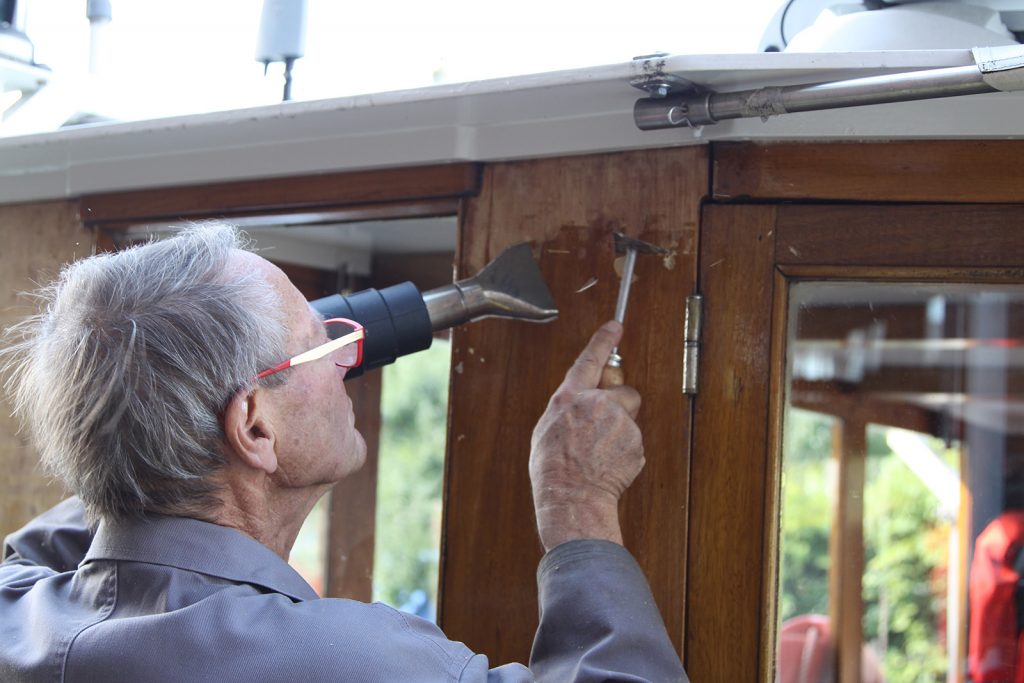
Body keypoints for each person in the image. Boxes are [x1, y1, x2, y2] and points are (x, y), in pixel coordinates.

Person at [0, 224, 687, 682]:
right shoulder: (351, 662)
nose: (347, 354)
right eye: (322, 341)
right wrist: (580, 506)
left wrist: (267, 364)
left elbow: (125, 477)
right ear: (255, 428)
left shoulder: (20, 617)